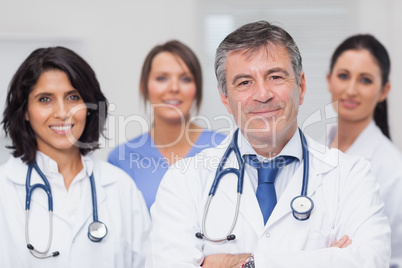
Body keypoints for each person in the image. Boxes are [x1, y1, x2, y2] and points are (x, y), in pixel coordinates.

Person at [147, 21, 391, 267]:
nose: (262, 95)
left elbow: (370, 261)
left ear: (301, 85)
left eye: (275, 76)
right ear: (225, 98)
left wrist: (242, 263)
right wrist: (324, 258)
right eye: (244, 82)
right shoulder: (184, 180)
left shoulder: (351, 177)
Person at [0, 46, 150, 267]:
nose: (62, 112)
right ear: (25, 111)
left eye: (72, 97)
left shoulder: (120, 187)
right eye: (45, 99)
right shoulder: (5, 188)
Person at [108, 40, 225, 210]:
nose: (174, 88)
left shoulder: (224, 148)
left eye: (185, 79)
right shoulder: (121, 158)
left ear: (197, 89)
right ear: (144, 87)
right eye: (162, 78)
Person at [326, 34, 402, 268]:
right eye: (343, 76)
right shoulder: (318, 149)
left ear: (384, 90)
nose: (351, 90)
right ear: (329, 80)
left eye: (365, 80)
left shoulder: (393, 172)